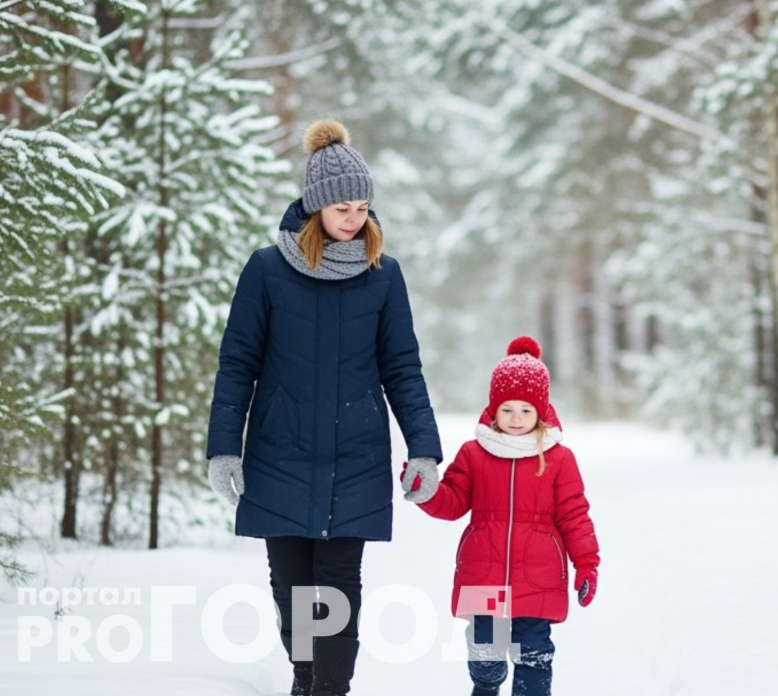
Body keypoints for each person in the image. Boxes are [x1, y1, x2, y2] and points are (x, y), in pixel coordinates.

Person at [205, 118, 443, 696]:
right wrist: (223, 450)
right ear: (315, 207)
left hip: (355, 454)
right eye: (342, 208)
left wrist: (424, 451)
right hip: (278, 452)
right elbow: (238, 364)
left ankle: (329, 688)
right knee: (292, 587)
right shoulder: (266, 270)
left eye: (363, 207)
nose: (354, 218)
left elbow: (402, 367)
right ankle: (305, 676)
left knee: (337, 585)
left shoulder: (383, 276)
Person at [402, 336, 599, 696]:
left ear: (541, 411)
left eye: (526, 410)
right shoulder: (475, 453)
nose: (516, 419)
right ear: (493, 409)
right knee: (485, 660)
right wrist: (427, 492)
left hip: (538, 577)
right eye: (507, 410)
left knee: (534, 656)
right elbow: (453, 501)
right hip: (484, 573)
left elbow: (575, 514)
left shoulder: (558, 458)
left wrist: (586, 563)